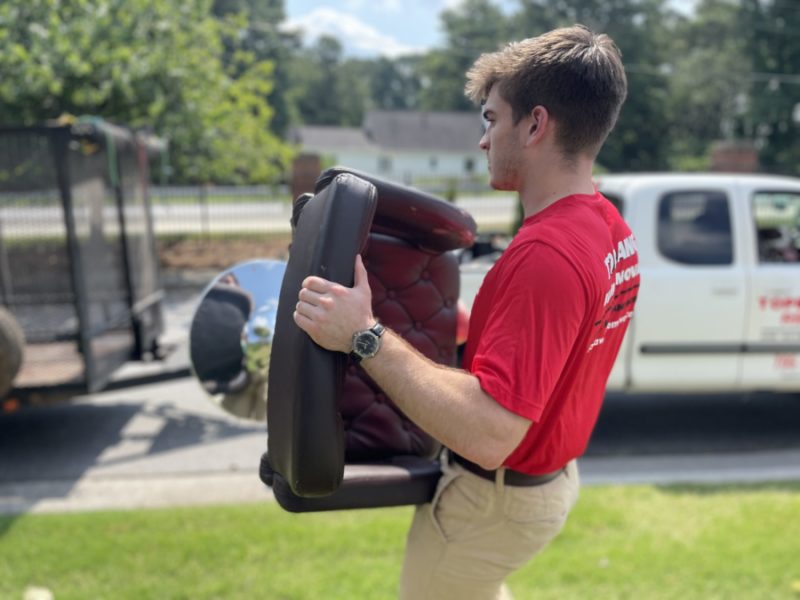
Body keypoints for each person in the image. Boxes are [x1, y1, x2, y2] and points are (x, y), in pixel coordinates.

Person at [293, 24, 639, 600]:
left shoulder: (548, 253)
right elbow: (562, 349)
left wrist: (364, 335)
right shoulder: (608, 226)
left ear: (535, 124)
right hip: (540, 484)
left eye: (491, 117)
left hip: (491, 503)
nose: (483, 140)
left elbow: (489, 433)